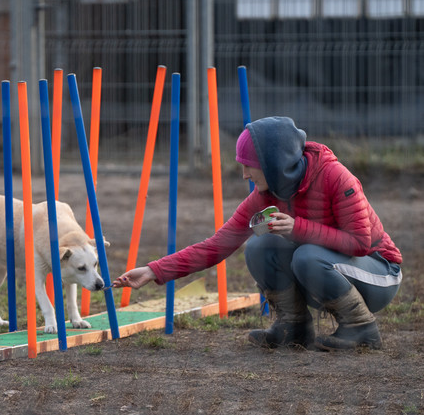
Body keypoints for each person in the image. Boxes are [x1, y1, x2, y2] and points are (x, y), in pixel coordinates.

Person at [112, 116, 403, 351]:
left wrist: (298, 228)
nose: (245, 176)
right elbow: (217, 245)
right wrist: (153, 270)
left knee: (306, 255)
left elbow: (360, 243)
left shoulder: (336, 177)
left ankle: (361, 328)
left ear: (275, 163)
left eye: (249, 167)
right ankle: (293, 328)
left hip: (380, 274)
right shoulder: (266, 194)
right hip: (333, 267)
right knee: (258, 247)